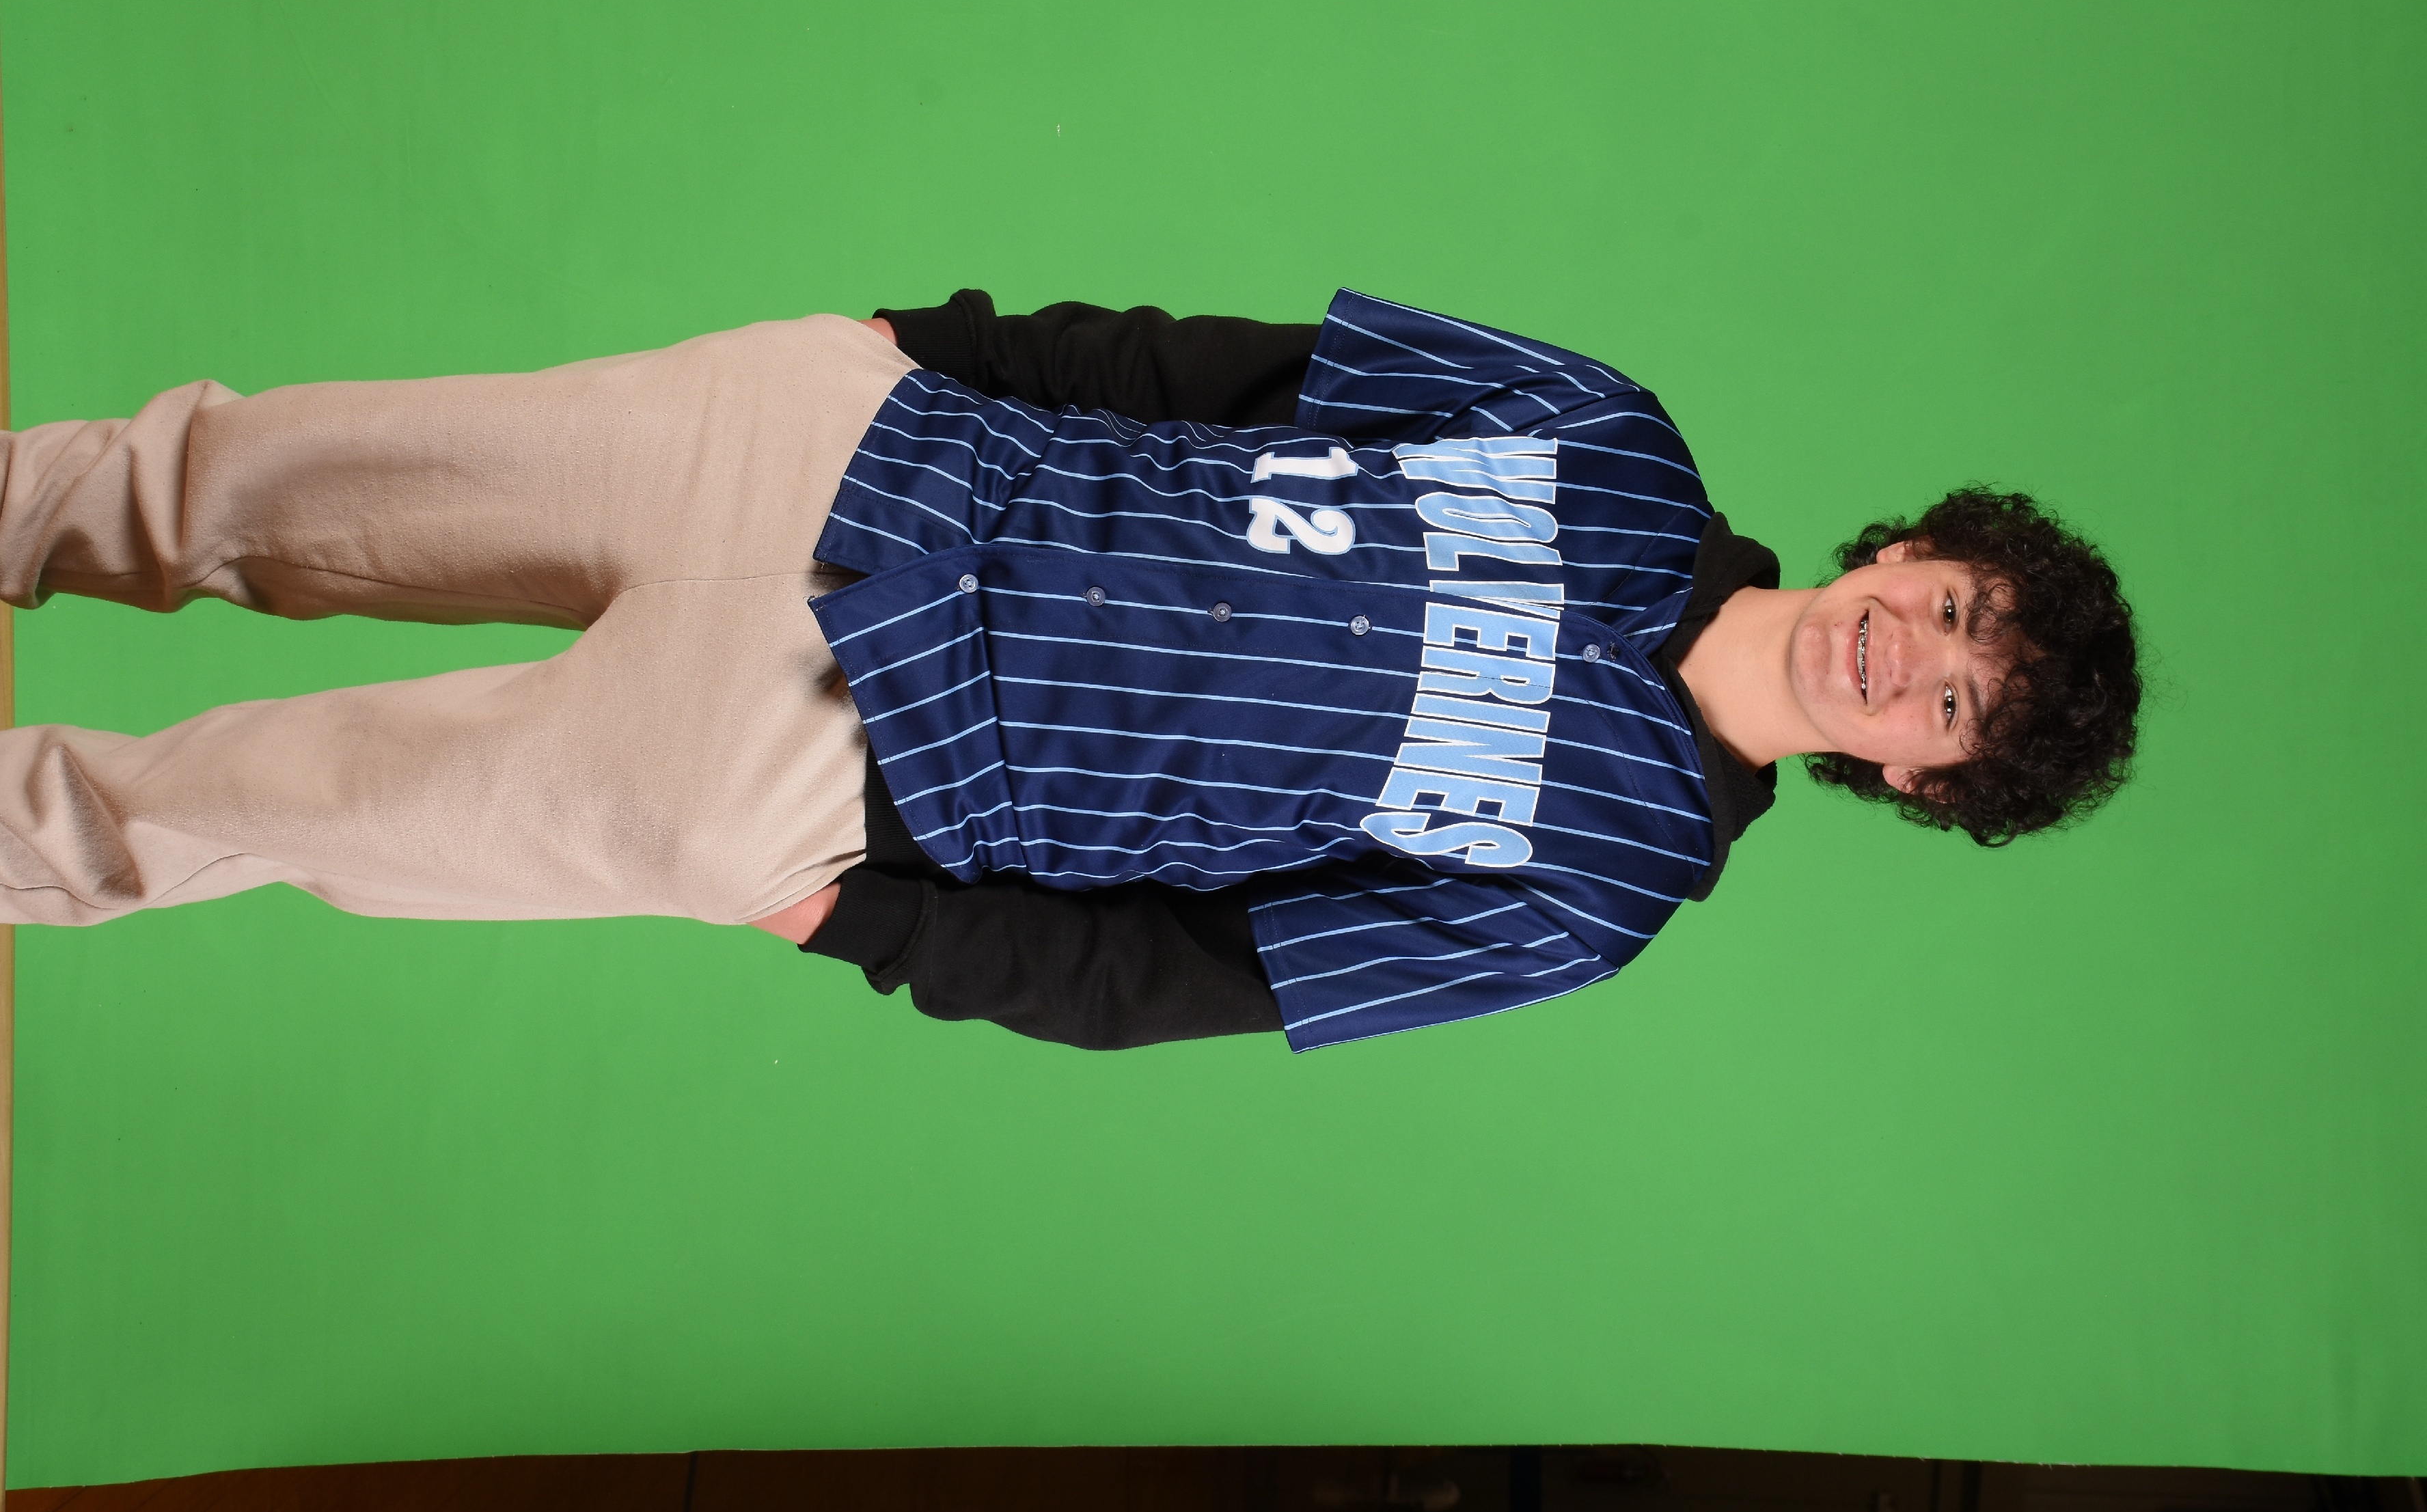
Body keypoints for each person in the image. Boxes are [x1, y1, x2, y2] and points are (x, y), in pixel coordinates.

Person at [0, 289, 2139, 1051]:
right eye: (1955, 607)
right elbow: (1216, 373)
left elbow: (1200, 976)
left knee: (228, 809)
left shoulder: (1604, 886)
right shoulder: (1607, 437)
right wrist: (915, 345)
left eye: (1953, 706)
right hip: (851, 453)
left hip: (844, 766)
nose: (1913, 657)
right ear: (1911, 550)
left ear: (1919, 780)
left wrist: (862, 924)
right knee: (241, 479)